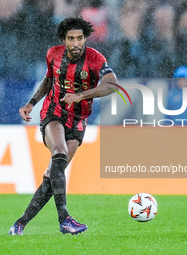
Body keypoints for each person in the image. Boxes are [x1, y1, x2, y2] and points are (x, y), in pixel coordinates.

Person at [8, 16, 118, 235]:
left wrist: (81, 95)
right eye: (70, 38)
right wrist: (31, 103)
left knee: (52, 177)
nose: (75, 43)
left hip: (78, 121)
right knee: (59, 153)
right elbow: (49, 79)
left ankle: (19, 224)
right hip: (53, 113)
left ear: (85, 38)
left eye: (79, 38)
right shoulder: (53, 54)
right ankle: (65, 218)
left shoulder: (96, 59)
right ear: (64, 40)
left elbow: (112, 85)